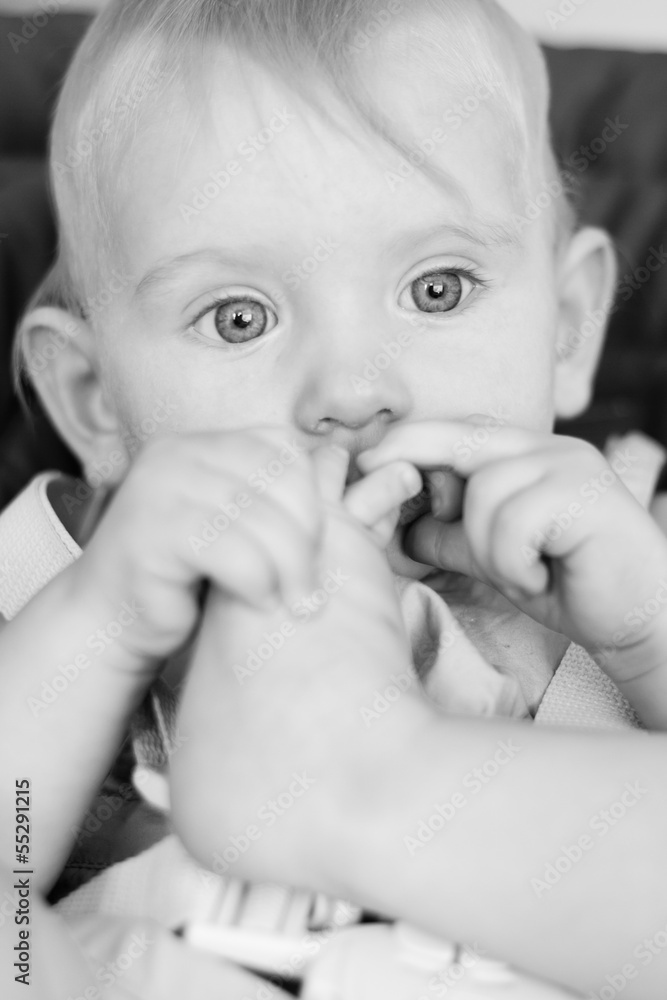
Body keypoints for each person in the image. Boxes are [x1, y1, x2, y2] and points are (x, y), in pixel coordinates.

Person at [2, 0, 667, 996]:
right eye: (237, 317)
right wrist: (93, 629)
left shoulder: (627, 537)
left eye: (437, 290)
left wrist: (653, 636)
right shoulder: (68, 584)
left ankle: (359, 790)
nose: (353, 391)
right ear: (96, 404)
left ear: (568, 327)